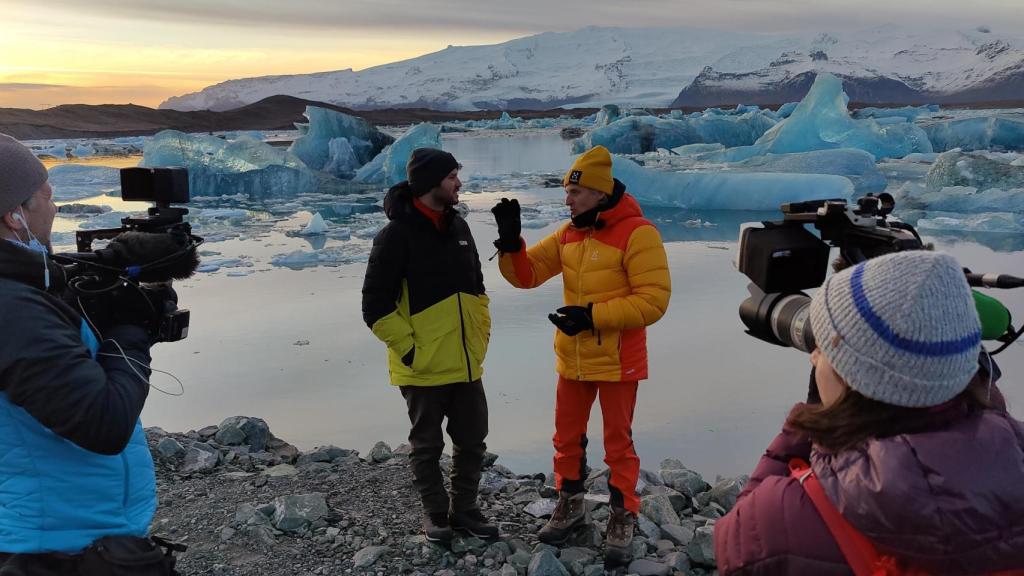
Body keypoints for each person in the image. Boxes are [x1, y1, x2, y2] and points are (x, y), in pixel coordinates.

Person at [714, 250, 1024, 575]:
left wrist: (806, 427)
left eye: (823, 349)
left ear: (851, 376)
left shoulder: (779, 518)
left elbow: (735, 548)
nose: (812, 358)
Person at [490, 145, 671, 564]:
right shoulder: (570, 233)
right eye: (567, 192)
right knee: (565, 437)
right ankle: (571, 505)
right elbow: (527, 275)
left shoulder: (637, 233)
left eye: (575, 192)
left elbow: (654, 301)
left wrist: (592, 317)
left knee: (617, 444)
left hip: (618, 358)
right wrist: (511, 242)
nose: (567, 200)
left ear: (600, 194)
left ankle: (622, 516)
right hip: (572, 357)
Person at [0, 134, 169, 574]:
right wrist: (131, 331)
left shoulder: (23, 289)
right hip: (55, 546)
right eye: (47, 196)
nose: (54, 208)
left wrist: (108, 268)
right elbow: (103, 422)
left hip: (52, 526)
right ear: (15, 216)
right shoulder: (11, 308)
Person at [361, 148, 496, 544]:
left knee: (473, 440)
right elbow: (375, 307)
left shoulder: (459, 228)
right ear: (432, 181)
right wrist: (411, 349)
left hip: (465, 360)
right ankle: (436, 514)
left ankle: (466, 510)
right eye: (453, 176)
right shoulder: (395, 236)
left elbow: (477, 287)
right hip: (422, 365)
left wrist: (480, 332)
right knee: (427, 444)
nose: (460, 183)